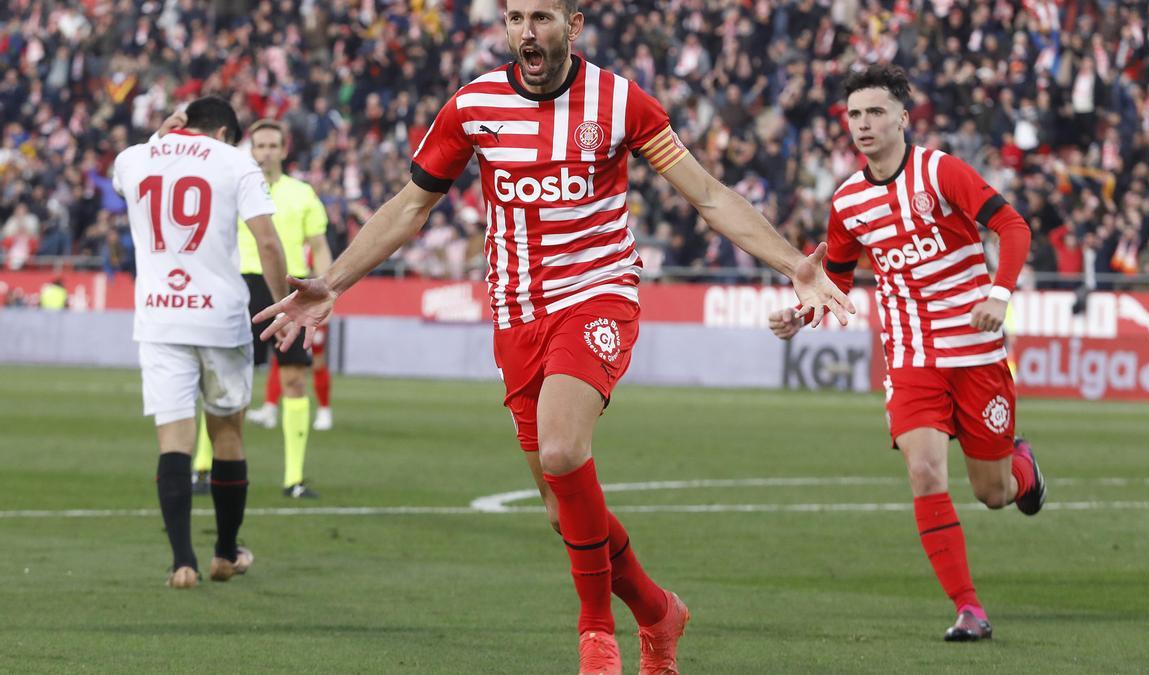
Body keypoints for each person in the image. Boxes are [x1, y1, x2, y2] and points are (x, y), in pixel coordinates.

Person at [256, 1, 854, 671]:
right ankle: (659, 612)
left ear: (573, 25)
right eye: (515, 18)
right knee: (559, 508)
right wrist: (334, 280)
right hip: (516, 315)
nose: (526, 32)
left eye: (542, 17)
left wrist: (796, 265)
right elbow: (410, 206)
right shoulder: (475, 105)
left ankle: (596, 635)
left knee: (566, 450)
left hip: (597, 295)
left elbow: (708, 196)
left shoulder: (621, 102)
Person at [769, 64, 1047, 642]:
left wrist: (999, 293)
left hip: (975, 352)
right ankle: (969, 608)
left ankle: (1024, 470)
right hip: (911, 357)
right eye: (854, 114)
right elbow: (836, 285)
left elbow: (1013, 227)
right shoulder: (847, 201)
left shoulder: (939, 172)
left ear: (903, 115)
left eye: (875, 112)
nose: (864, 124)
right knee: (923, 472)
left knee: (993, 493)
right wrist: (802, 314)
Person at [113, 96, 288, 588]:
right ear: (226, 134)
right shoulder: (236, 162)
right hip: (220, 317)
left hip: (159, 319)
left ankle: (182, 561)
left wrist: (159, 138)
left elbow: (128, 170)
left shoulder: (134, 157)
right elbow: (268, 242)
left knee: (174, 440)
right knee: (227, 435)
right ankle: (226, 553)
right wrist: (282, 306)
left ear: (183, 123)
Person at [194, 119, 332, 499]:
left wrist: (326, 287)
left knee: (292, 380)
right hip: (238, 286)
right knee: (221, 378)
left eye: (273, 145)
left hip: (290, 290)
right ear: (251, 150)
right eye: (261, 146)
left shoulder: (303, 193)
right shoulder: (233, 190)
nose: (267, 152)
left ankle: (293, 479)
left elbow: (318, 246)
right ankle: (202, 469)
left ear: (284, 150)